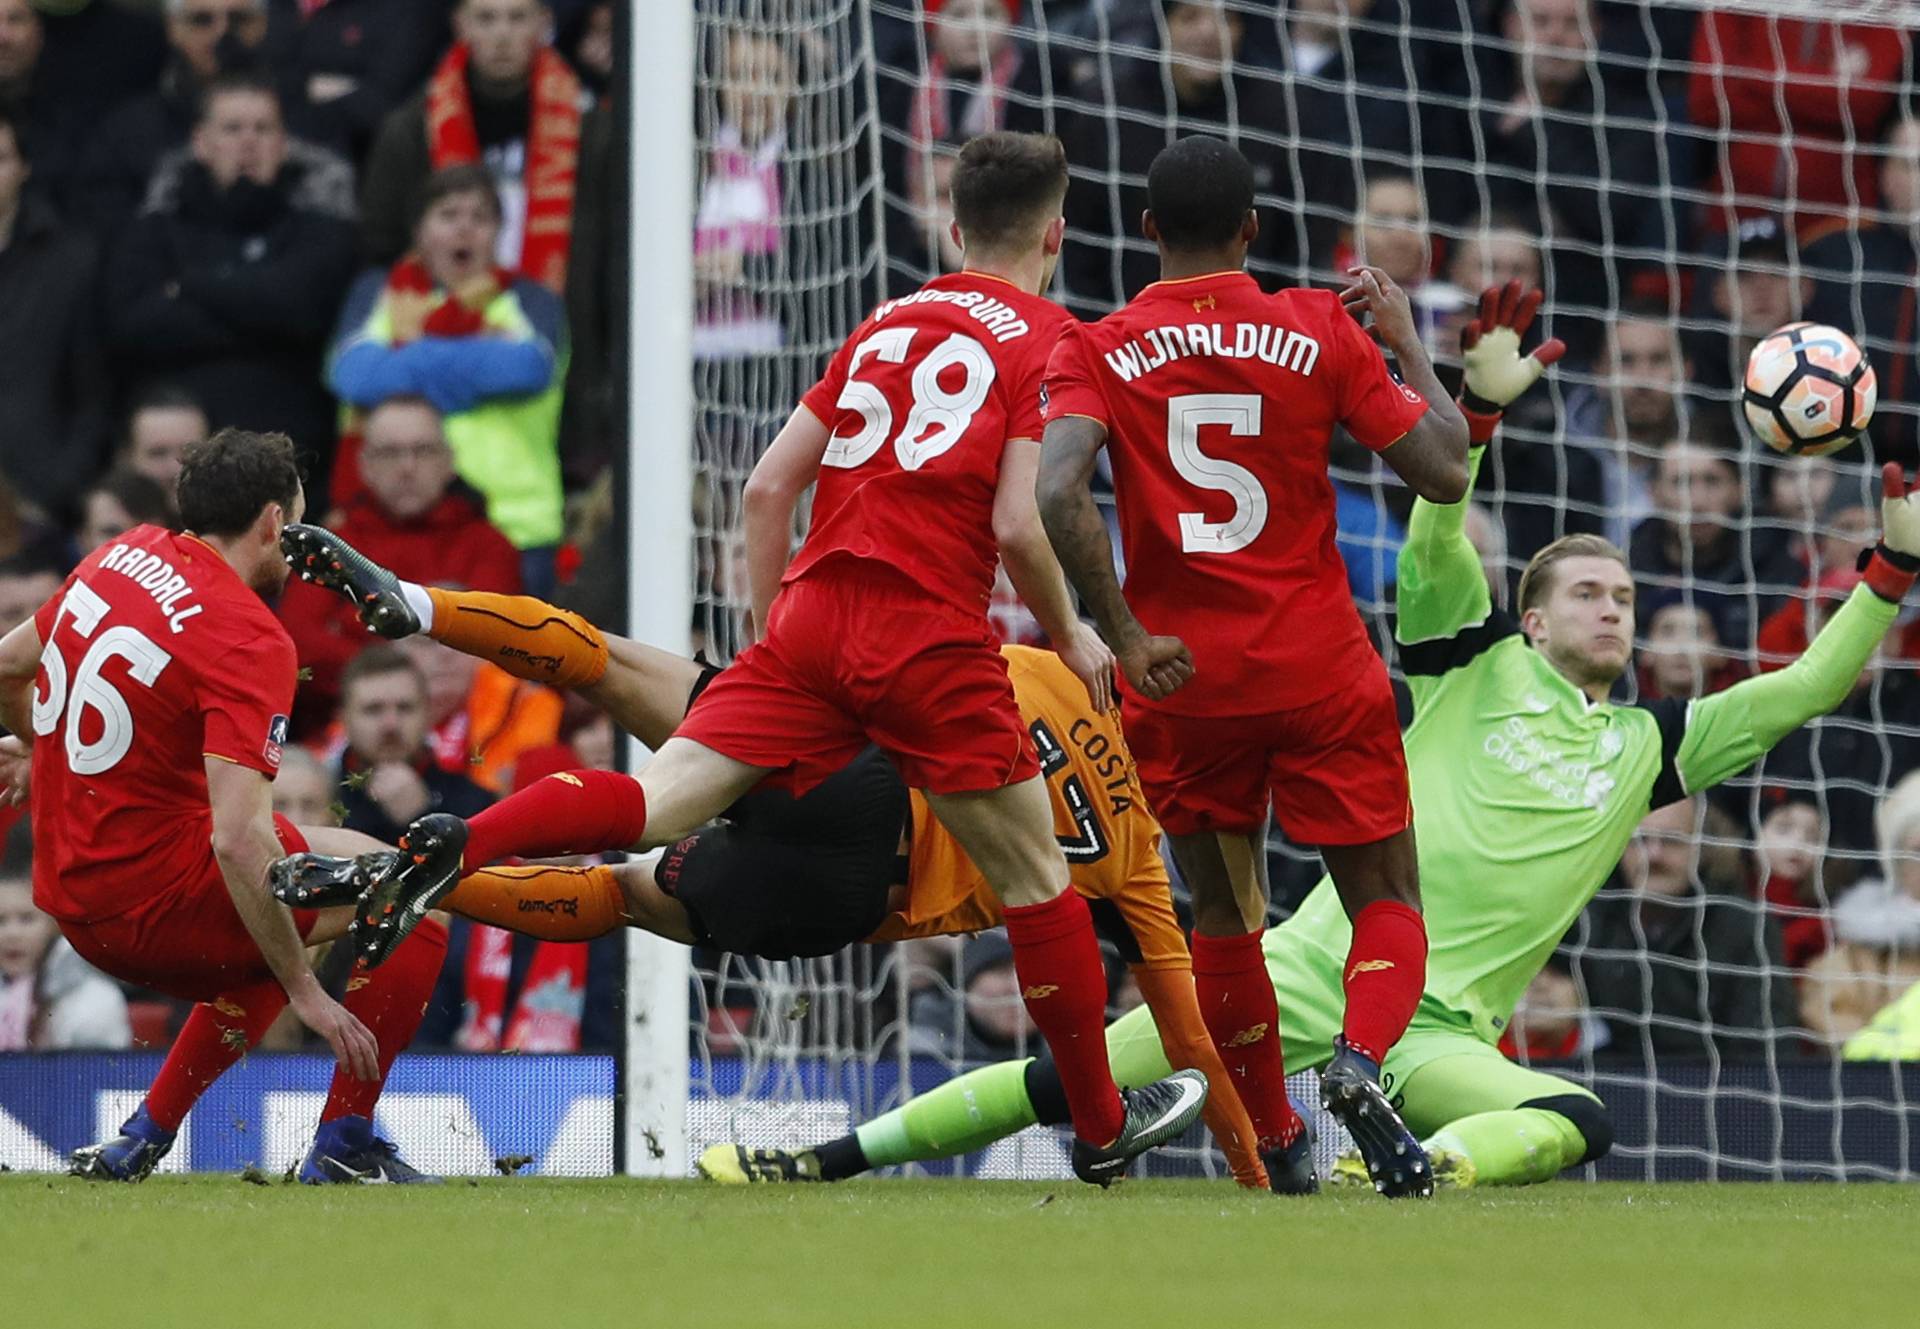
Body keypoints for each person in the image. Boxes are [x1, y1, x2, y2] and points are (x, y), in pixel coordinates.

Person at [721, 283, 1920, 1192]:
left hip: (1441, 1029)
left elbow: (1810, 685)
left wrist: (1890, 568)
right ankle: (828, 1158)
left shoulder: (1657, 745)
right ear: (1537, 613)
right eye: (1592, 594)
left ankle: (1392, 1173)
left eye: (1626, 597)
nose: (1620, 609)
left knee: (1577, 1119)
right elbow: (1441, 525)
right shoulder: (1472, 660)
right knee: (1069, 1070)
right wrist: (1480, 414)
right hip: (1308, 970)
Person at [284, 131, 1211, 1189]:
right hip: (928, 642)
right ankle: (1099, 1124)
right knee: (1041, 883)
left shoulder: (887, 321)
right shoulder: (1055, 337)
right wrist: (1082, 626)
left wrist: (779, 639)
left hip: (811, 621)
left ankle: (458, 838)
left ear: (953, 231)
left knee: (654, 800)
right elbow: (1016, 519)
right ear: (1058, 232)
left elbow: (767, 489)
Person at [268, 553, 1275, 1188]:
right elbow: (1191, 1033)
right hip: (839, 901)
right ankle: (424, 880)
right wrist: (1254, 1160)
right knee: (622, 893)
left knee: (610, 666)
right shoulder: (1141, 858)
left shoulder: (1046, 666)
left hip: (845, 777)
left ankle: (419, 605)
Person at [1036, 134, 1473, 1196]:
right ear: (1254, 231)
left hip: (1187, 684)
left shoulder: (1096, 346)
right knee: (1387, 897)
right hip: (1320, 671)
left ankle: (1278, 1141)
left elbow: (1055, 494)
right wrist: (1408, 344)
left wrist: (1127, 638)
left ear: (1146, 232)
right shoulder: (1320, 325)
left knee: (1227, 918)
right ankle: (1361, 1066)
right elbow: (1446, 469)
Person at [0, 429, 448, 1184]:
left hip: (67, 892)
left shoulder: (122, 553)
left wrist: (43, 746)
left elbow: (10, 664)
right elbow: (239, 843)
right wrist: (308, 995)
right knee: (422, 892)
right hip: (148, 909)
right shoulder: (249, 638)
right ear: (274, 523)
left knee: (321, 858)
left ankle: (141, 1137)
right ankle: (346, 1137)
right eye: (297, 526)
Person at [102, 75, 359, 481]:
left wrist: (188, 287)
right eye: (232, 128)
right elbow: (133, 328)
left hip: (290, 458)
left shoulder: (321, 231)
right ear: (201, 142)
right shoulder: (153, 231)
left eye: (263, 128)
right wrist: (259, 314)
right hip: (171, 465)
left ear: (283, 143)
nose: (248, 141)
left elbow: (301, 311)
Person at [328, 167, 568, 580]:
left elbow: (528, 369)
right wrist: (473, 367)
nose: (465, 229)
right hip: (393, 524)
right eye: (449, 215)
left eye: (480, 217)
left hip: (514, 522)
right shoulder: (379, 292)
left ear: (497, 232)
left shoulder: (532, 300)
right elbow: (354, 376)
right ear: (420, 231)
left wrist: (408, 361)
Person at [277, 394, 522, 727]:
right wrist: (401, 667)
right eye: (390, 453)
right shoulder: (332, 544)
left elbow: (496, 644)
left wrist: (360, 647)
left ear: (449, 462)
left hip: (477, 734)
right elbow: (297, 644)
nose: (407, 468)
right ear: (364, 466)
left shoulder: (489, 545)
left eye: (422, 451)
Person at [359, 0, 584, 292]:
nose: (502, 35)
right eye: (485, 18)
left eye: (517, 18)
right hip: (434, 325)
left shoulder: (588, 128)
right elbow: (381, 242)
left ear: (543, 24)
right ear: (460, 25)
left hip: (558, 319)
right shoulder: (411, 129)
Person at [1571, 798, 1796, 1062]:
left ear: (1701, 848)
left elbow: (1765, 1053)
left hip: (1714, 1091)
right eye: (1639, 840)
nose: (1653, 855)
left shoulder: (1745, 928)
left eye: (1671, 841)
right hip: (1609, 1088)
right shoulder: (1586, 918)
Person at [0, 105, 111, 517]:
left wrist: (59, 484)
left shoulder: (71, 261)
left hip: (38, 499)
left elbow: (94, 390)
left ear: (24, 167)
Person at [0, 858, 130, 1050]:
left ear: (54, 925)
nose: (12, 934)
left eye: (26, 919)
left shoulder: (95, 999)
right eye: (0, 921)